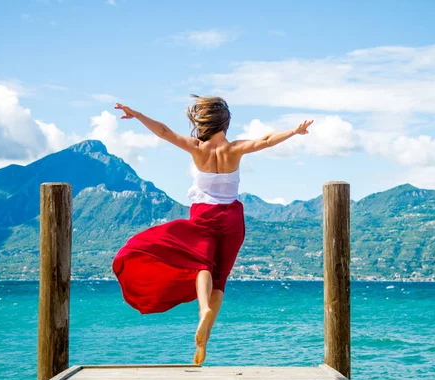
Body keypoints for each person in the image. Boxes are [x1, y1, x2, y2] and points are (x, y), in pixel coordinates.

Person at [112, 95, 313, 365]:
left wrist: (137, 114)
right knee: (221, 278)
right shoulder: (235, 149)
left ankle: (203, 307)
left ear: (203, 122)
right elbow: (266, 140)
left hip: (204, 215)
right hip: (231, 219)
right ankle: (205, 336)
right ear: (226, 123)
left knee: (201, 264)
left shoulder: (197, 148)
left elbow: (164, 132)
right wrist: (294, 131)